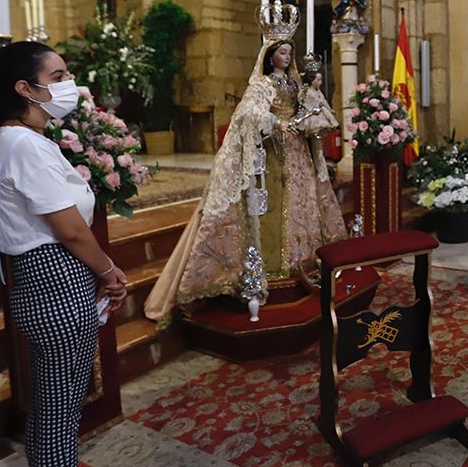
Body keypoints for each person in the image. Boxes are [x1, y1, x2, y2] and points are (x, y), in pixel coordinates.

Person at [0, 41, 129, 467]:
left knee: (58, 401)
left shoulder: (22, 139)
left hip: (52, 276)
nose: (68, 85)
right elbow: (70, 229)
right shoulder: (20, 144)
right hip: (53, 276)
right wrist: (108, 271)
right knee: (57, 407)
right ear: (24, 88)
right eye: (57, 75)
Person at [144, 26, 348, 321]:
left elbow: (309, 108)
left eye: (290, 52)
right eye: (282, 52)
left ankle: (303, 261)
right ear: (269, 56)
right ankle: (271, 266)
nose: (287, 57)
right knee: (274, 209)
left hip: (297, 152)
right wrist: (274, 122)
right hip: (273, 156)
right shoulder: (262, 84)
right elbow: (247, 113)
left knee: (302, 205)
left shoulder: (294, 84)